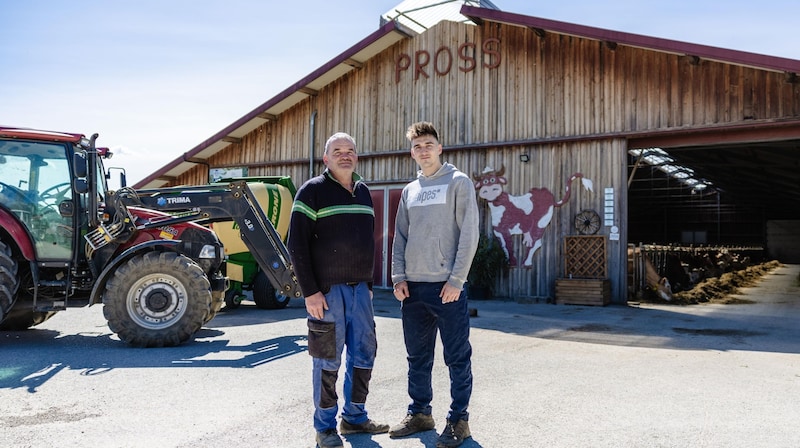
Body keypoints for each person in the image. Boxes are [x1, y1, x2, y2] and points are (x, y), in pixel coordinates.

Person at [287, 132, 389, 448]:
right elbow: (296, 244)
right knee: (327, 360)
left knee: (364, 354)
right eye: (338, 150)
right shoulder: (312, 191)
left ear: (356, 156)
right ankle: (325, 427)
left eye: (350, 150)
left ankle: (355, 418)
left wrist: (370, 285)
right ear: (326, 158)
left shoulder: (362, 193)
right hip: (327, 293)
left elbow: (366, 242)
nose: (345, 155)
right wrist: (310, 292)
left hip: (360, 292)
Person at [389, 122, 480, 448]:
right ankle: (420, 413)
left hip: (447, 288)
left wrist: (456, 280)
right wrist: (398, 276)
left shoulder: (458, 182)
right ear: (412, 152)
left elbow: (469, 234)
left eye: (428, 144)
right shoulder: (410, 190)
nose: (423, 150)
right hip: (413, 289)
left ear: (439, 148)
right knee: (417, 357)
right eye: (417, 146)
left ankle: (459, 421)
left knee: (456, 358)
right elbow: (400, 235)